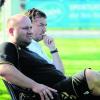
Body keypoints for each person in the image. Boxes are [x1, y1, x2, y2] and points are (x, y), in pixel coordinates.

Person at [0, 14, 100, 100]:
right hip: (52, 93)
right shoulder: (8, 46)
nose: (30, 31)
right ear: (11, 31)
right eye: (25, 28)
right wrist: (35, 86)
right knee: (90, 75)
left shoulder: (28, 51)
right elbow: (4, 69)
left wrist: (53, 48)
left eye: (30, 27)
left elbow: (60, 72)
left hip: (62, 87)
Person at [25, 8, 64, 73]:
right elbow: (60, 73)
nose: (45, 30)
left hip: (54, 81)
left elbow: (60, 73)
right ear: (29, 26)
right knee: (87, 73)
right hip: (51, 82)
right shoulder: (30, 48)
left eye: (45, 25)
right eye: (41, 25)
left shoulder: (34, 45)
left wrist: (53, 48)